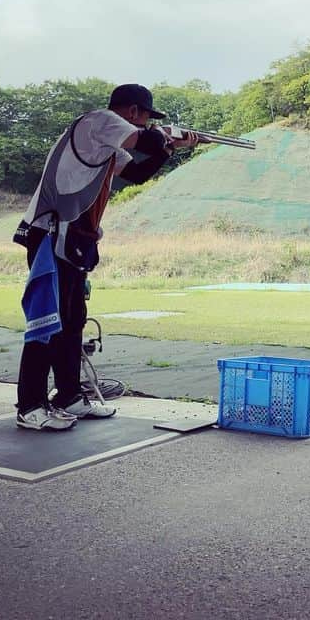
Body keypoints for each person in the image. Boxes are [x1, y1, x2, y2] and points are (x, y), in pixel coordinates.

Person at [12, 83, 198, 431]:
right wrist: (162, 138)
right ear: (132, 113)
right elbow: (146, 141)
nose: (144, 124)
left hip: (72, 238)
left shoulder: (107, 145)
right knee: (46, 322)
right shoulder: (99, 121)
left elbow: (139, 172)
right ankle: (29, 406)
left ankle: (68, 396)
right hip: (50, 232)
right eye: (144, 117)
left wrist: (171, 149)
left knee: (72, 322)